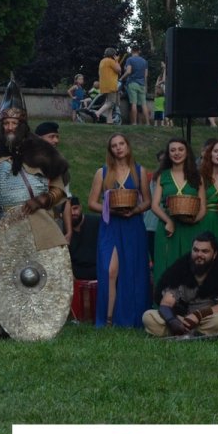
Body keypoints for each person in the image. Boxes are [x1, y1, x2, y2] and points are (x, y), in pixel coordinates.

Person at [0, 81, 69, 337]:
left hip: (37, 222)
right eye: (6, 123)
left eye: (14, 123)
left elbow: (59, 189)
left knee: (36, 273)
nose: (9, 127)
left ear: (23, 124)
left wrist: (41, 200)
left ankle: (37, 322)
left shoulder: (44, 153)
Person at [87, 133, 151, 328]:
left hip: (133, 225)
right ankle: (107, 318)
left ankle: (131, 317)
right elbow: (91, 203)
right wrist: (111, 210)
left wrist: (135, 210)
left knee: (133, 270)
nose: (118, 148)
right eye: (114, 145)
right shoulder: (102, 172)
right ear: (110, 150)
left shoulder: (139, 171)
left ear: (128, 146)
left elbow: (147, 201)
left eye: (121, 144)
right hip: (111, 225)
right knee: (110, 270)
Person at [142, 232, 218, 337]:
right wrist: (173, 321)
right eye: (196, 250)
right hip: (183, 320)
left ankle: (189, 333)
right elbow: (166, 304)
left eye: (205, 251)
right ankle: (187, 332)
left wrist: (198, 315)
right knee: (148, 316)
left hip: (209, 320)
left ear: (214, 254)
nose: (199, 254)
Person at [149, 137, 206, 285]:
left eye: (181, 149)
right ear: (168, 154)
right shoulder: (162, 176)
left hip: (191, 227)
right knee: (166, 265)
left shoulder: (197, 176)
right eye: (173, 150)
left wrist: (193, 221)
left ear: (187, 152)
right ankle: (164, 298)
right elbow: (154, 205)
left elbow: (202, 208)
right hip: (168, 227)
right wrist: (168, 221)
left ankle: (190, 299)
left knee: (190, 267)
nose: (177, 153)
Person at [65, 198, 99, 281]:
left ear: (80, 207)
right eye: (69, 211)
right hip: (74, 277)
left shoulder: (97, 222)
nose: (72, 213)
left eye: (75, 208)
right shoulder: (62, 230)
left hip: (99, 274)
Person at [122, 43, 149, 125]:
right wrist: (145, 86)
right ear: (139, 51)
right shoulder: (144, 61)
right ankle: (147, 123)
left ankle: (134, 123)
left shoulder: (130, 60)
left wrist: (121, 78)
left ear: (131, 51)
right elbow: (146, 75)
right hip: (142, 84)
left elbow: (128, 71)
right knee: (144, 104)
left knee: (134, 103)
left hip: (132, 83)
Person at [97, 47, 122, 125]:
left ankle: (109, 120)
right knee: (111, 102)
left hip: (104, 84)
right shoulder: (111, 61)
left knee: (109, 103)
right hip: (111, 84)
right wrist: (117, 61)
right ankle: (97, 113)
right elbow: (119, 70)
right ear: (113, 54)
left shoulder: (102, 61)